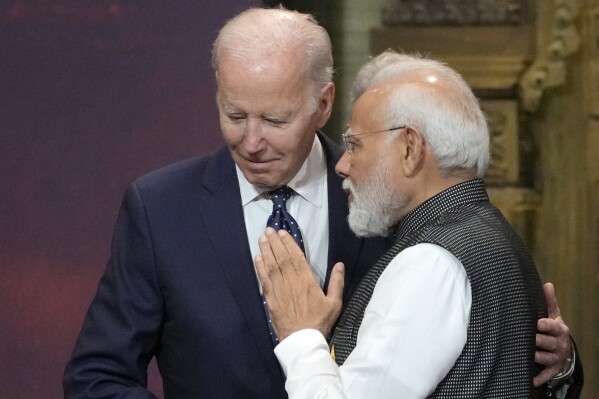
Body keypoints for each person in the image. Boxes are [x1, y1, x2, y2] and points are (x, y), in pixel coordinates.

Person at [63, 8, 577, 399]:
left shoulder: (388, 203)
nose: (252, 140)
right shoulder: (160, 209)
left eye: (276, 119)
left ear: (323, 104)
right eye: (235, 115)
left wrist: (559, 365)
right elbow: (95, 378)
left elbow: (480, 349)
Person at [255, 53, 582, 398]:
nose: (343, 165)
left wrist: (302, 335)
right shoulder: (489, 231)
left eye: (354, 144)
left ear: (410, 148)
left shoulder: (431, 262)